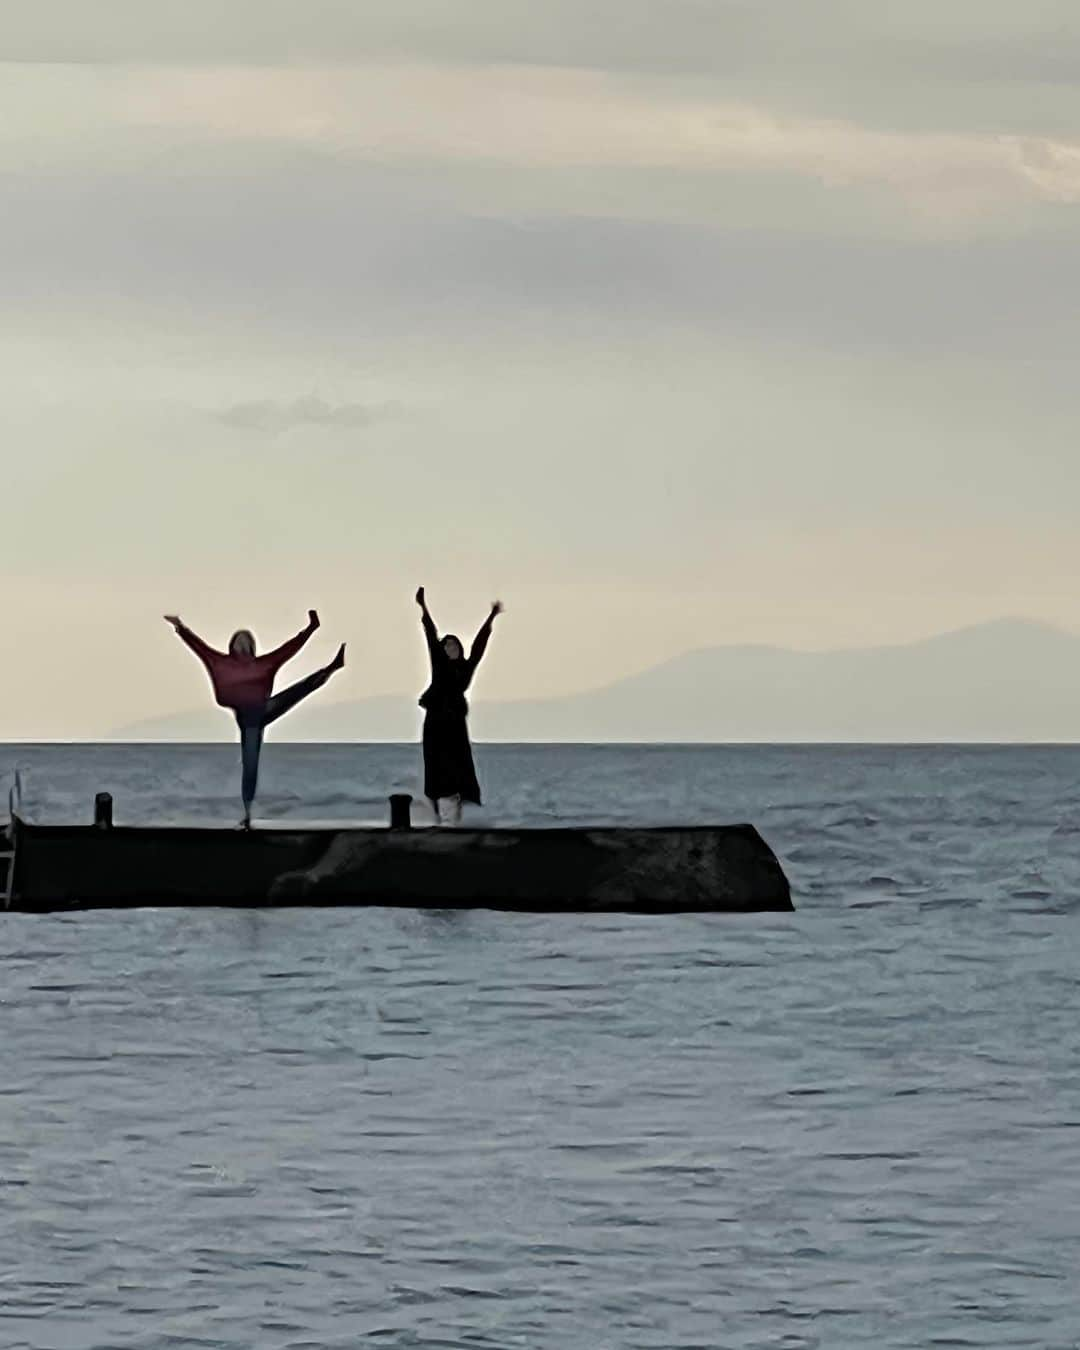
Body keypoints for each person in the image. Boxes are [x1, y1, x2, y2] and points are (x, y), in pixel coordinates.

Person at [164, 610, 345, 827]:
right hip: (248, 719)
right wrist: (180, 627)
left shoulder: (264, 664)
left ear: (251, 646)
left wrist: (310, 628)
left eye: (246, 640)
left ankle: (333, 667)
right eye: (239, 640)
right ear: (232, 645)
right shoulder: (220, 662)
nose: (242, 644)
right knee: (250, 764)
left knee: (299, 690)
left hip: (263, 709)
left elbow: (289, 649)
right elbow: (199, 648)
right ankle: (247, 814)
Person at [415, 586, 502, 824]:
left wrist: (491, 618)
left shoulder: (466, 667)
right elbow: (430, 635)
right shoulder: (440, 666)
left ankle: (466, 812)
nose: (449, 648)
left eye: (453, 645)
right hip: (435, 721)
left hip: (454, 722)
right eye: (446, 646)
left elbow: (480, 645)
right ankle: (433, 813)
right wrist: (423, 607)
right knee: (434, 764)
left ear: (459, 648)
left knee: (461, 764)